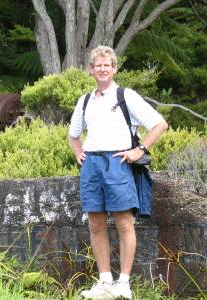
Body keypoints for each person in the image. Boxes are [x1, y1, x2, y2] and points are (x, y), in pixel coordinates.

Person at [68, 45, 168, 299]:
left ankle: (123, 284)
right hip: (92, 165)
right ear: (91, 70)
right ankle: (104, 282)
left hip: (118, 163)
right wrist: (78, 151)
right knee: (96, 223)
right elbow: (73, 134)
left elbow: (160, 124)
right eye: (97, 65)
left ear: (114, 69)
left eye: (107, 65)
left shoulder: (126, 96)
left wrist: (139, 150)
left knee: (124, 222)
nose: (102, 69)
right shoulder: (85, 101)